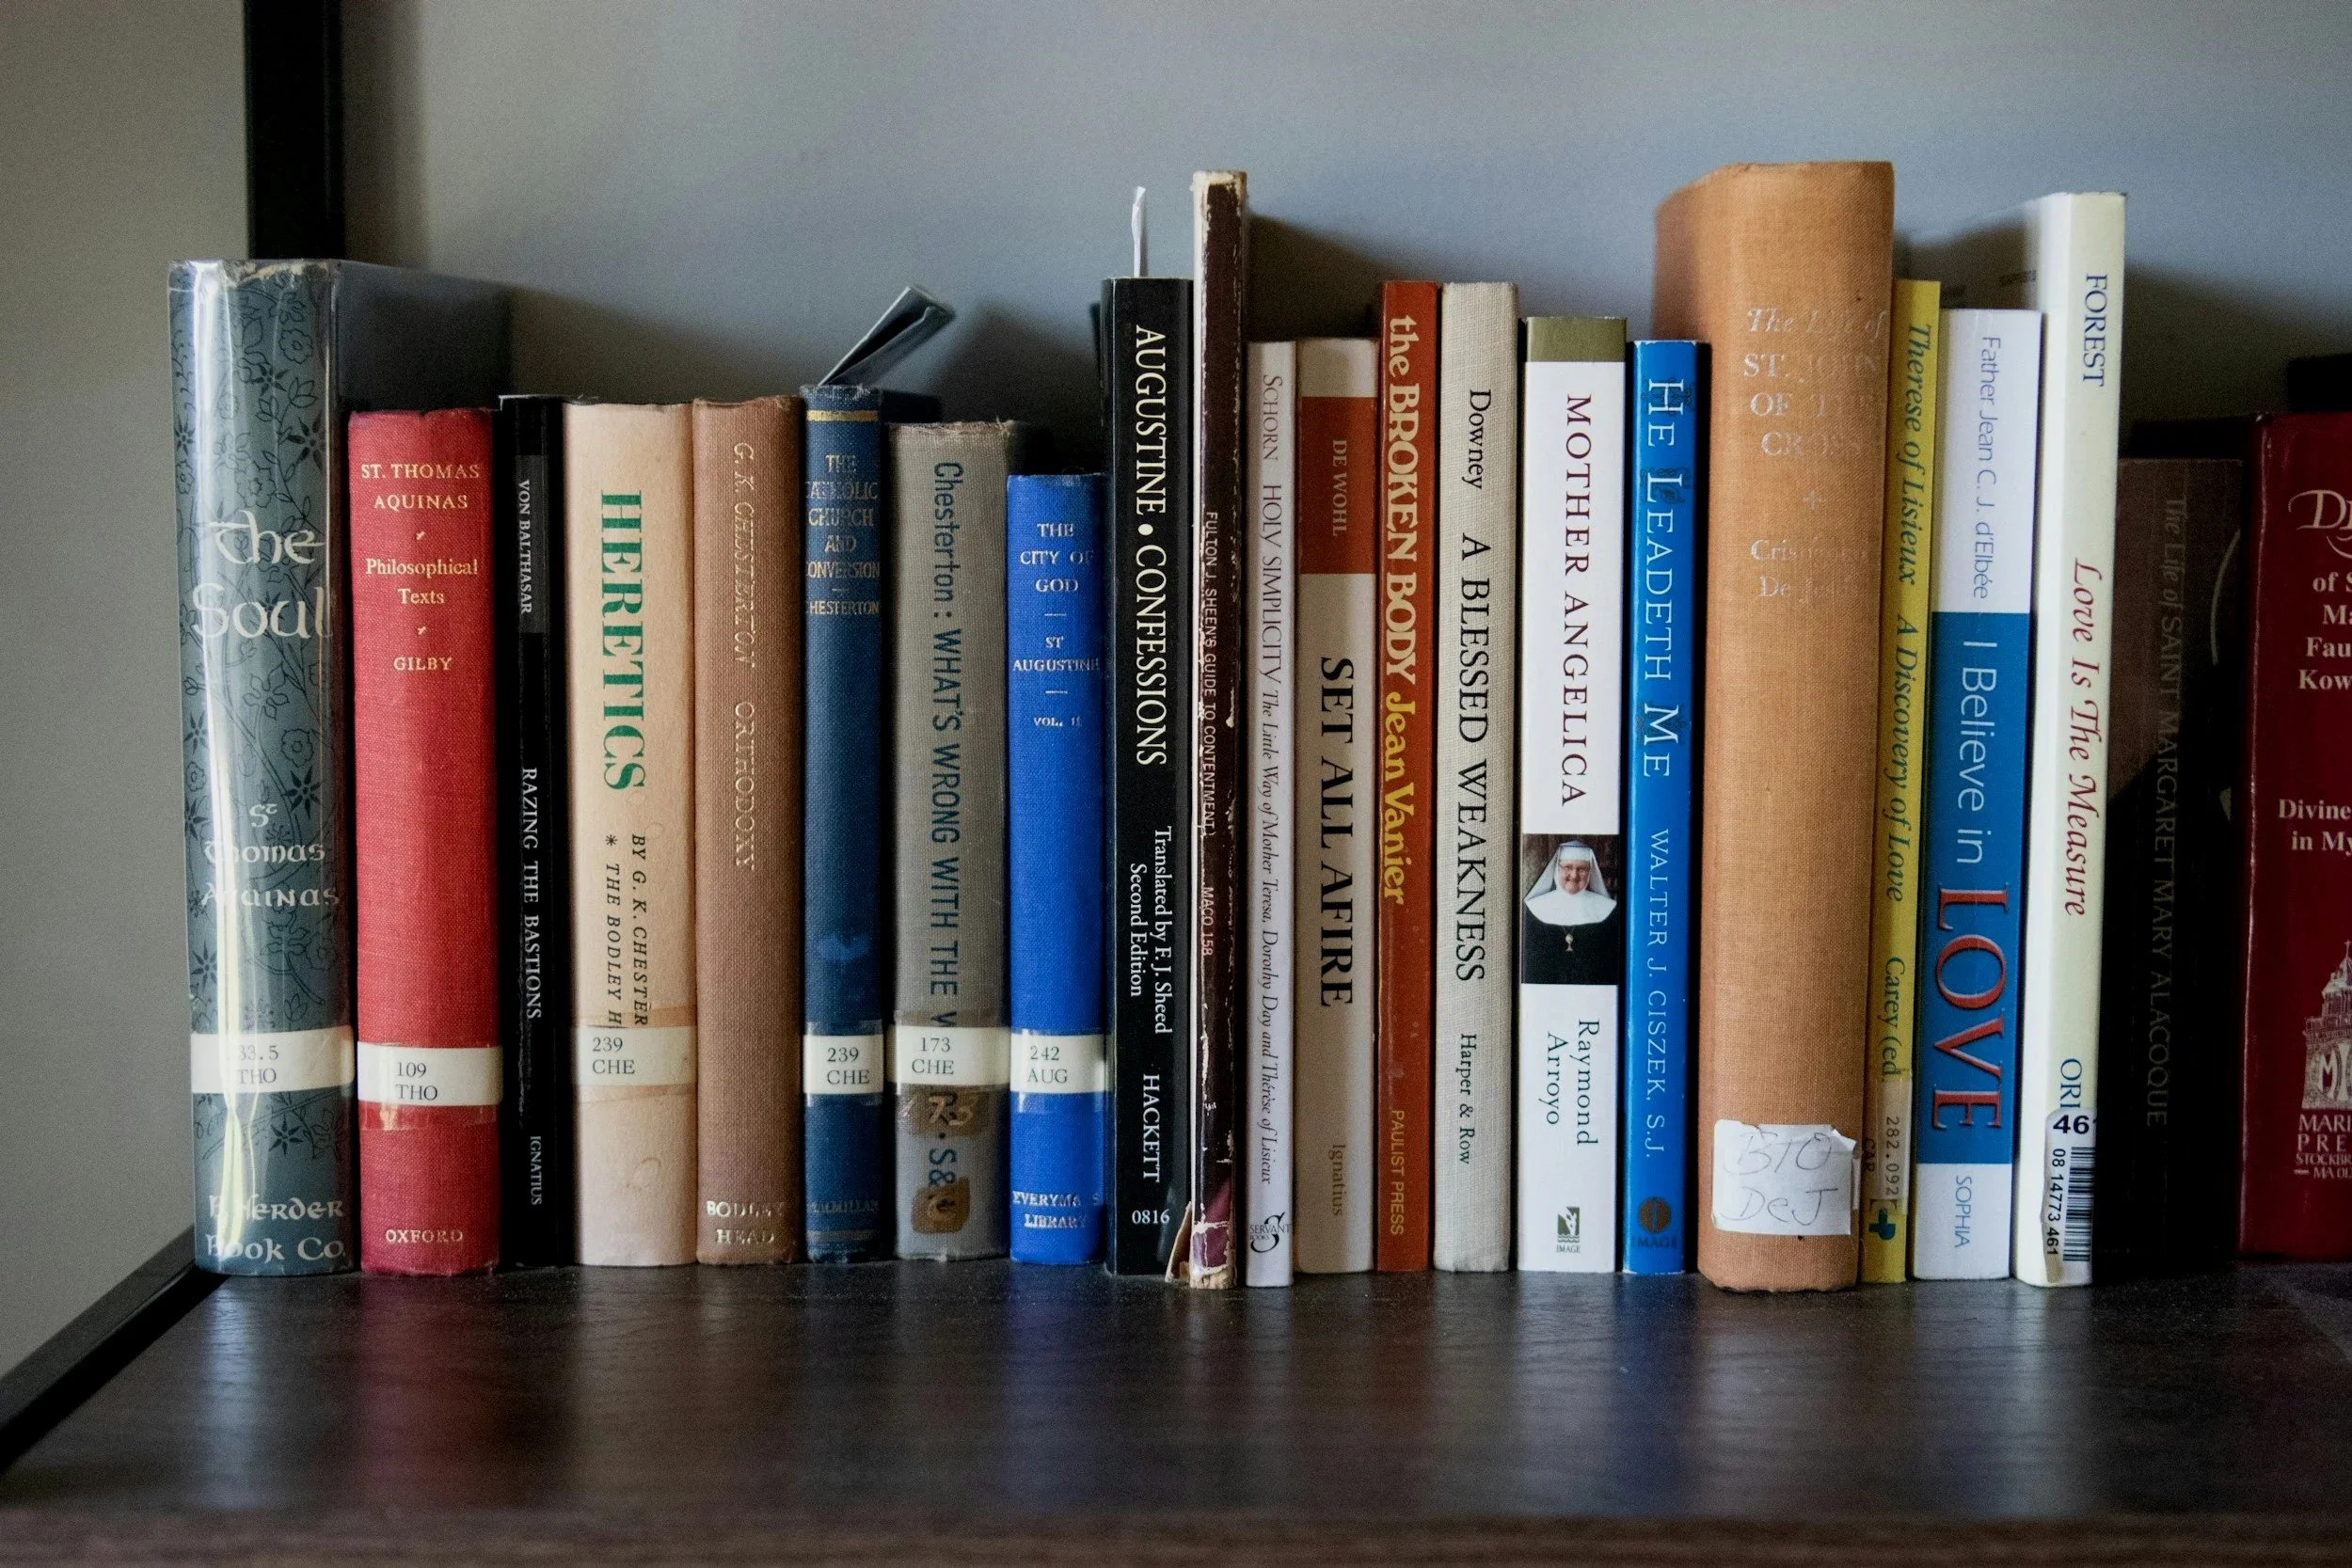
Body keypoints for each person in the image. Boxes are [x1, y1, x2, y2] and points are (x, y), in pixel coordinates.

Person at [1520, 839, 1623, 985]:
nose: (1574, 875)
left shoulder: (1609, 909)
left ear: (1590, 871)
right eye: (1567, 867)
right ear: (1557, 868)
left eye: (1582, 869)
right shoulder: (1532, 908)